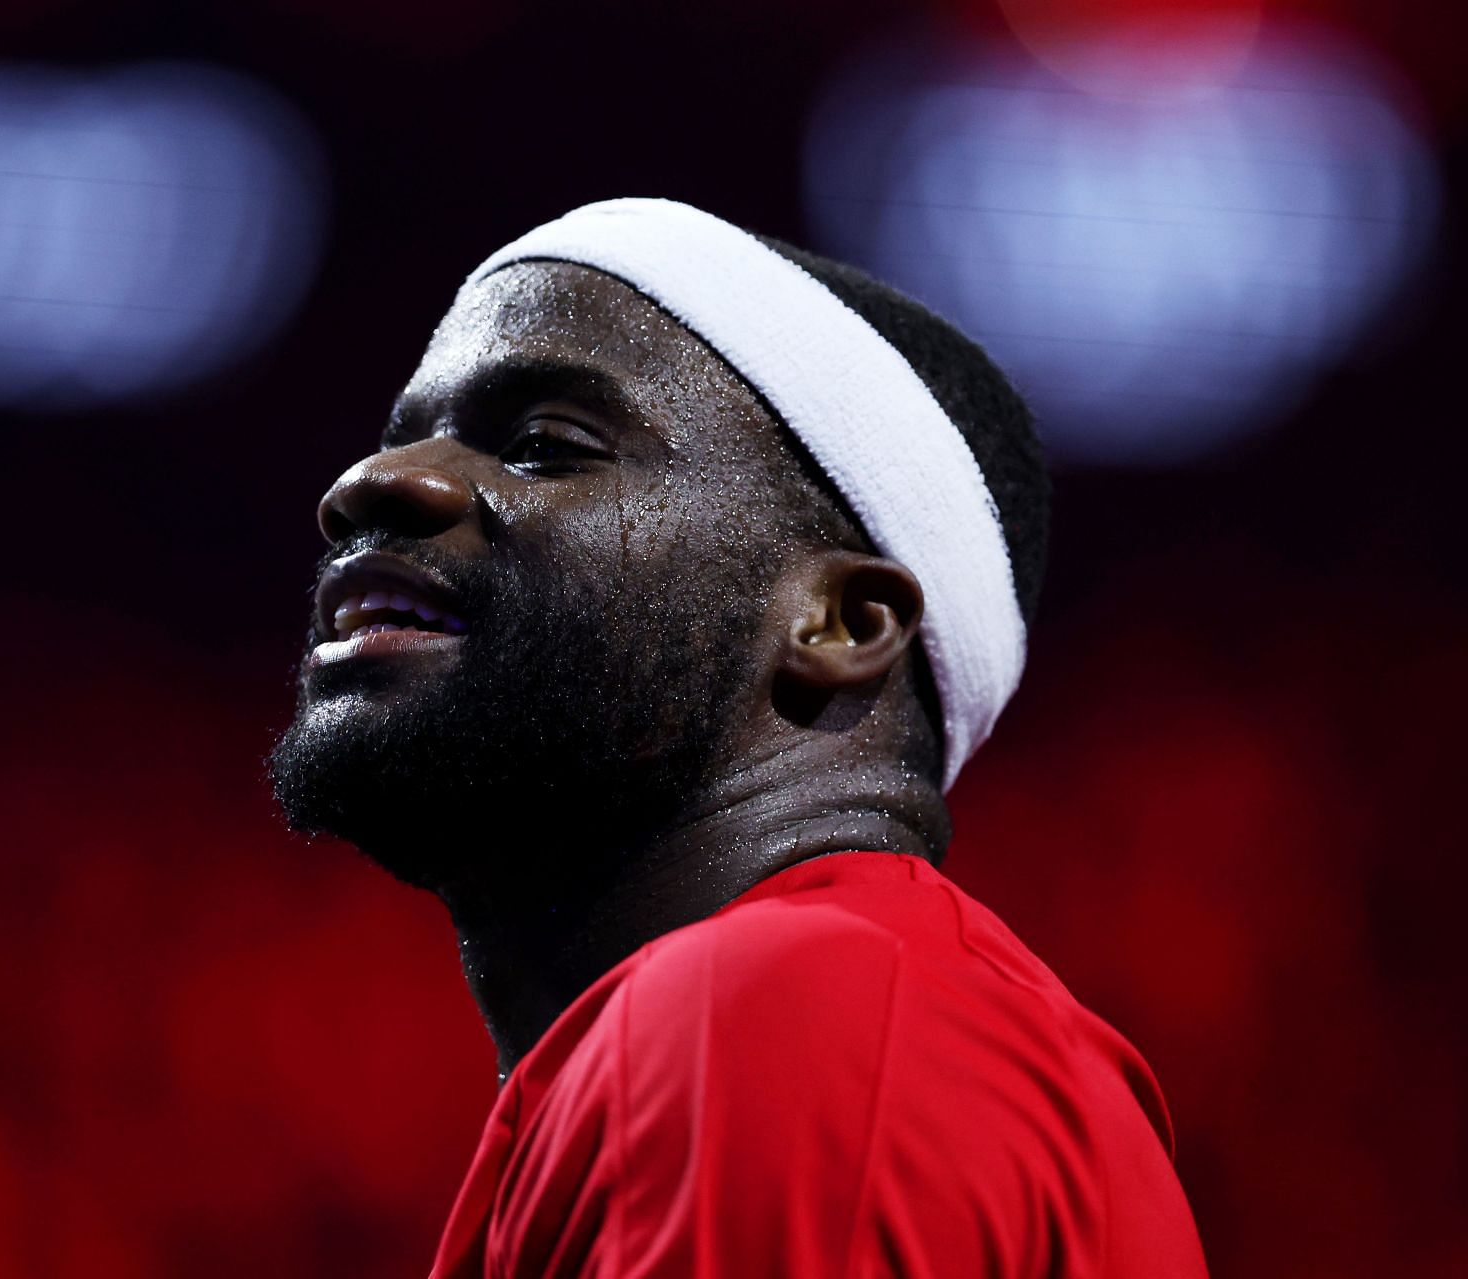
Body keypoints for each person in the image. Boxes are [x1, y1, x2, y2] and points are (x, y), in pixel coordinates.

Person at [270, 199, 1207, 1277]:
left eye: (543, 447)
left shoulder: (793, 1018)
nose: (372, 486)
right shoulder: (819, 1021)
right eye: (400, 438)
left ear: (839, 625)